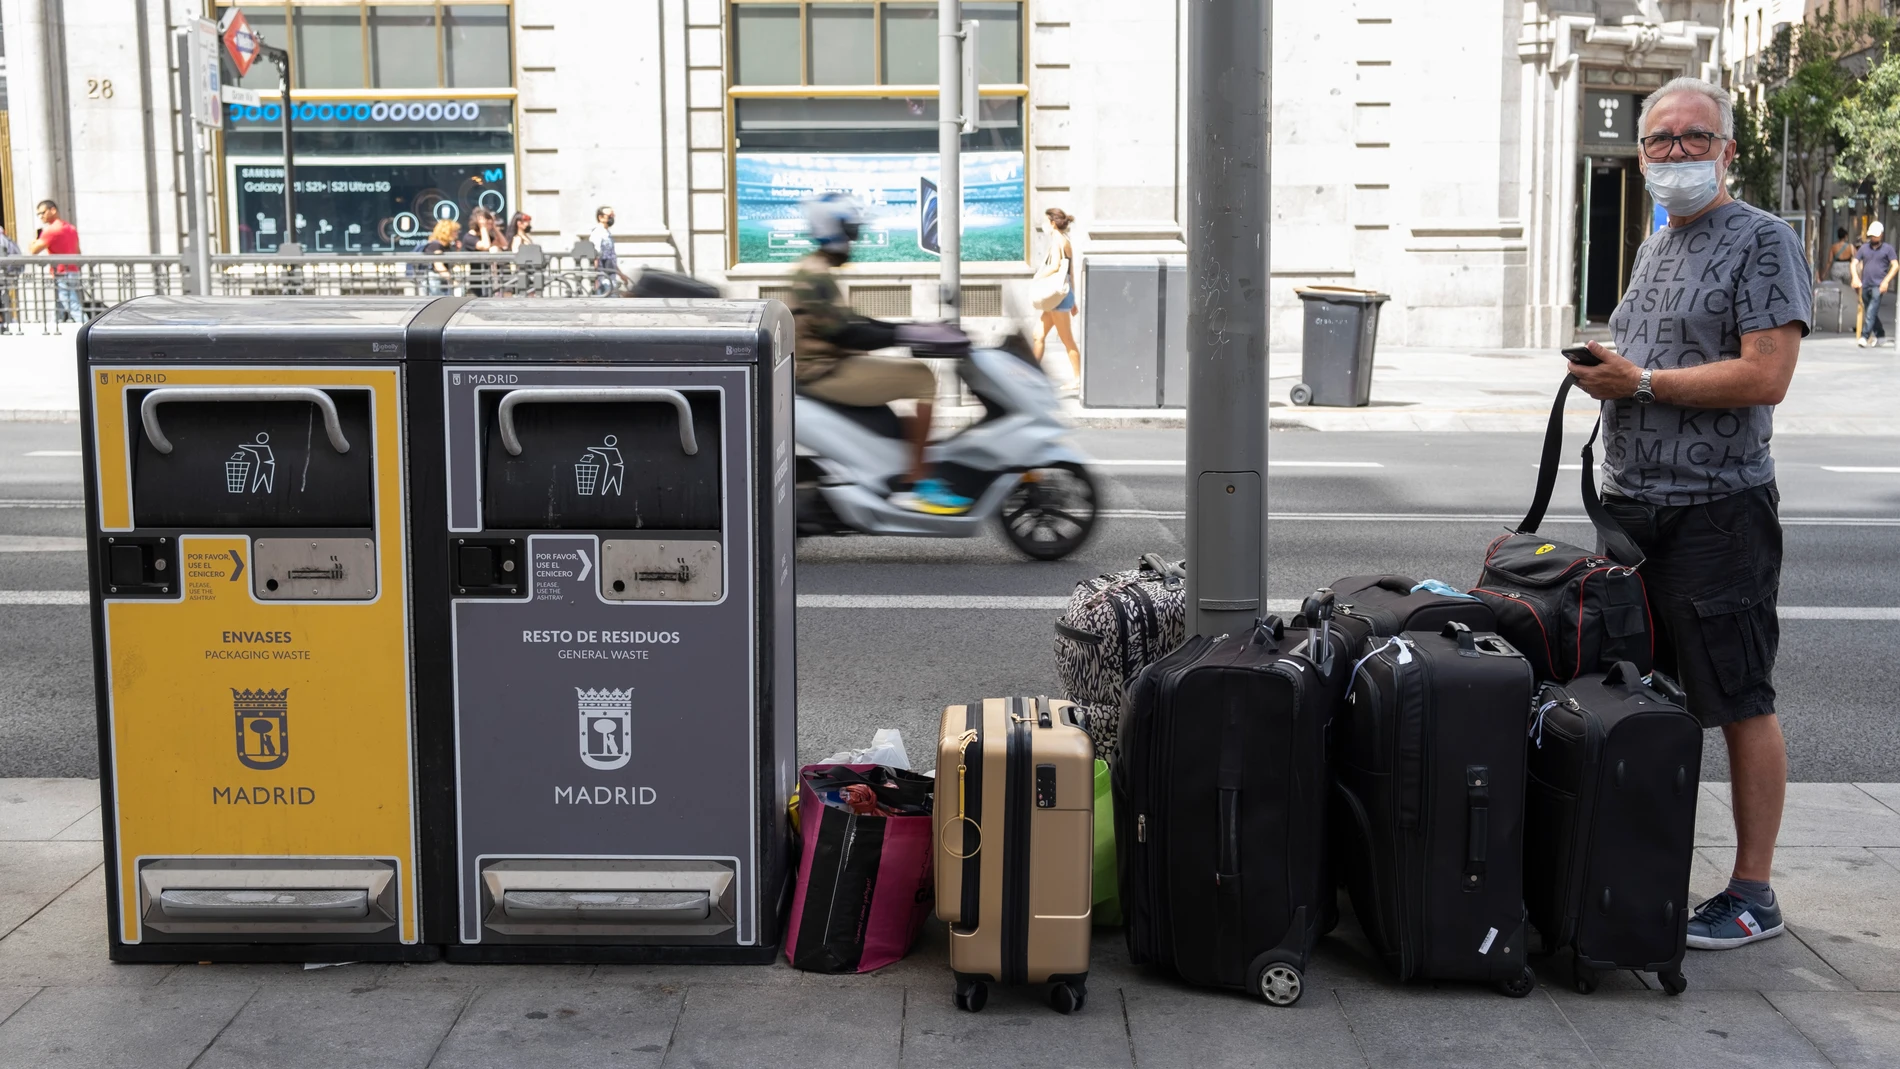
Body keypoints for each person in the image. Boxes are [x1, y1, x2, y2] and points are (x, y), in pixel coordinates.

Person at [1568, 77, 1806, 953]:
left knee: (1738, 695)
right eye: (1659, 140)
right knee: (1644, 695)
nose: (1675, 152)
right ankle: (1641, 868)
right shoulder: (1656, 242)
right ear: (1642, 153)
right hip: (1634, 512)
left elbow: (1766, 374)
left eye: (1693, 137)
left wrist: (1643, 382)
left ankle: (1754, 893)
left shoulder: (1763, 240)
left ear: (1728, 149)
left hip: (1717, 511)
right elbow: (1651, 353)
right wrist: (1610, 368)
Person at [791, 193, 973, 515]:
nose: (853, 240)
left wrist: (913, 327)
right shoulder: (815, 276)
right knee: (921, 379)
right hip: (821, 371)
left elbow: (853, 324)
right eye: (850, 232)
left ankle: (902, 464)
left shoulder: (815, 270)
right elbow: (849, 332)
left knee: (904, 389)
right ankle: (916, 483)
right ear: (834, 231)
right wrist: (908, 333)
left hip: (825, 366)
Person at [1031, 208, 1081, 392]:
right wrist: (1073, 298)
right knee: (1038, 335)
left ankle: (1078, 379)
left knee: (1067, 339)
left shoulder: (1058, 241)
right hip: (1060, 296)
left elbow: (1054, 267)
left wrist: (1038, 277)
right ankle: (1032, 376)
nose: (1043, 225)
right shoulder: (1065, 240)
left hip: (1058, 298)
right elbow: (1071, 273)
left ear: (1052, 223)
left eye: (1045, 221)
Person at [27, 200, 82, 323]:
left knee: (71, 304)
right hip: (73, 271)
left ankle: (87, 329)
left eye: (43, 213)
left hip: (62, 272)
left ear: (53, 210)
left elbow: (33, 250)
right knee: (60, 303)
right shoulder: (71, 228)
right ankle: (53, 327)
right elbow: (78, 251)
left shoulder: (51, 230)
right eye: (39, 214)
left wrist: (35, 239)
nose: (41, 217)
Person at [1852, 221, 1897, 348]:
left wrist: (1886, 281)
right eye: (1872, 235)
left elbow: (1895, 265)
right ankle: (1881, 335)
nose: (1874, 238)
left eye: (1876, 235)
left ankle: (1864, 336)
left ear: (1881, 235)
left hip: (1879, 285)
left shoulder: (1888, 249)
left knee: (1871, 310)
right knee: (1871, 311)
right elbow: (1853, 263)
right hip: (1865, 284)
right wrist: (1855, 277)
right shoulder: (1864, 248)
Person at [589, 205, 629, 296]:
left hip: (610, 277)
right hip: (603, 279)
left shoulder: (606, 233)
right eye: (610, 215)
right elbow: (595, 256)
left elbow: (611, 257)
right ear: (600, 217)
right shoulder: (598, 233)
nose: (612, 217)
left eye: (613, 215)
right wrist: (595, 278)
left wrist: (621, 274)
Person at [419, 218, 461, 296]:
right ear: (447, 232)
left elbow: (451, 264)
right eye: (454, 231)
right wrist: (452, 280)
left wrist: (457, 250)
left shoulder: (446, 246)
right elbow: (438, 265)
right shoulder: (436, 245)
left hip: (441, 280)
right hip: (435, 280)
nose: (457, 233)